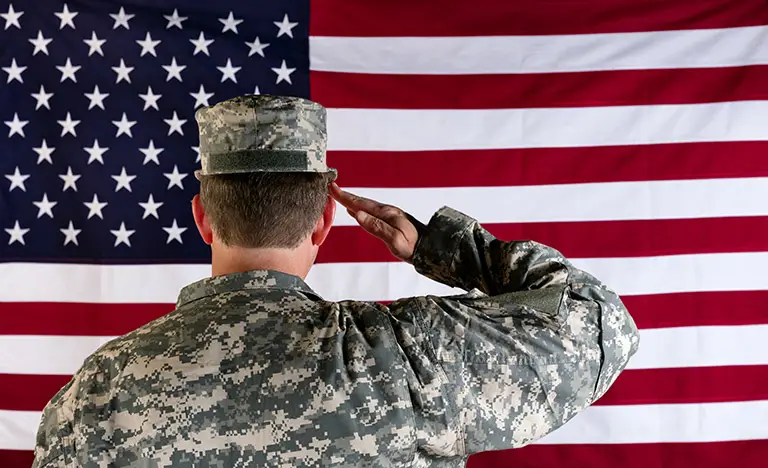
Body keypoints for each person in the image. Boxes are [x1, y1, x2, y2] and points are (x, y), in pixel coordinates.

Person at [32, 94, 640, 467]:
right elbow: (598, 320)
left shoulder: (100, 391)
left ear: (201, 218)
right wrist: (447, 249)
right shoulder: (404, 358)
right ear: (325, 220)